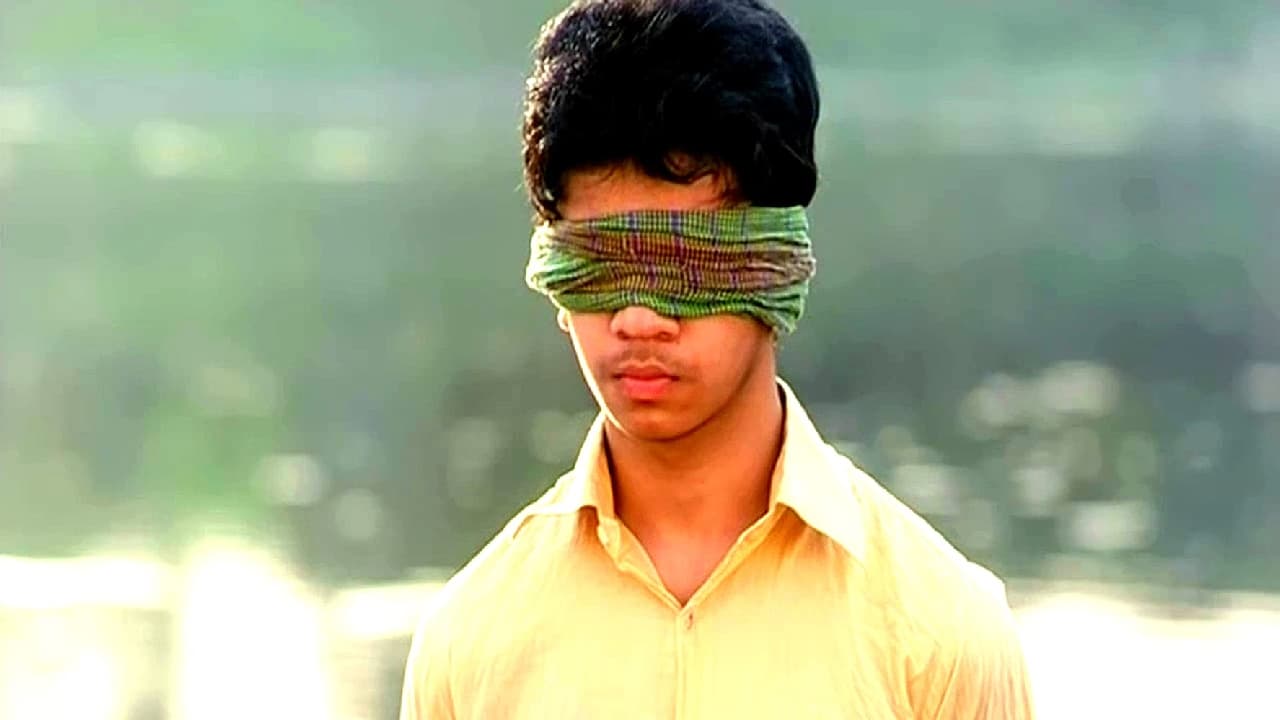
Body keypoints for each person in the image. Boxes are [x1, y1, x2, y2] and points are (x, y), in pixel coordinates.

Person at [400, 0, 1037, 717]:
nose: (638, 320)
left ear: (776, 264)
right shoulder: (469, 646)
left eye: (685, 264)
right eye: (599, 265)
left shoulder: (942, 638)